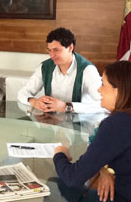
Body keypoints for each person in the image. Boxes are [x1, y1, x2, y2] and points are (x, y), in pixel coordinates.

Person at [54, 61, 131, 202]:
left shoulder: (115, 125)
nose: (99, 90)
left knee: (54, 183)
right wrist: (104, 169)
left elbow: (73, 177)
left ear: (118, 90)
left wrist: (60, 154)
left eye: (103, 84)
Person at [18, 27, 104, 114]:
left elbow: (103, 104)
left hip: (80, 124)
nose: (52, 55)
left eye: (56, 50)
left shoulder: (87, 70)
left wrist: (66, 106)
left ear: (70, 48)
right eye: (49, 50)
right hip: (51, 124)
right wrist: (34, 102)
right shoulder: (44, 67)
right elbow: (22, 93)